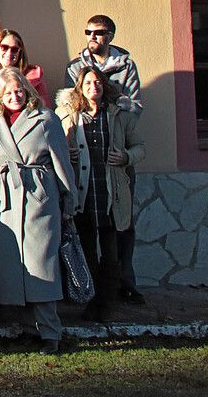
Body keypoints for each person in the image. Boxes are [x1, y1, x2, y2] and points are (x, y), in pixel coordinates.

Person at [0, 67, 76, 355]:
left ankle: (51, 332)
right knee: (11, 267)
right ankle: (25, 329)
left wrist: (68, 202)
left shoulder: (45, 119)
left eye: (18, 90)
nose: (14, 96)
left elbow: (61, 163)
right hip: (2, 202)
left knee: (42, 265)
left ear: (27, 90)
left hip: (38, 198)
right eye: (7, 92)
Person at [66, 13, 145, 305]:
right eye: (88, 31)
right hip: (87, 165)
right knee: (86, 230)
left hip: (116, 158)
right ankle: (90, 290)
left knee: (121, 226)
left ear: (110, 35)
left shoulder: (126, 65)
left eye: (98, 32)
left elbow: (134, 106)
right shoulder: (75, 67)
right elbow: (69, 104)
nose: (92, 37)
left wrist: (115, 112)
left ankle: (125, 282)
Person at [57, 65, 145, 322]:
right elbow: (53, 146)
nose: (93, 88)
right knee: (86, 251)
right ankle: (91, 300)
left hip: (111, 194)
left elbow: (140, 147)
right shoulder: (68, 116)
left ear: (104, 86)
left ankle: (107, 303)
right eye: (87, 84)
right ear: (80, 89)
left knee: (111, 253)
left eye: (97, 83)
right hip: (83, 193)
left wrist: (126, 156)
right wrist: (66, 153)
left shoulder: (120, 115)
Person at [0, 29, 51, 106]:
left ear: (20, 52)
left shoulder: (34, 77)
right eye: (4, 47)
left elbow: (45, 107)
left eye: (14, 49)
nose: (9, 53)